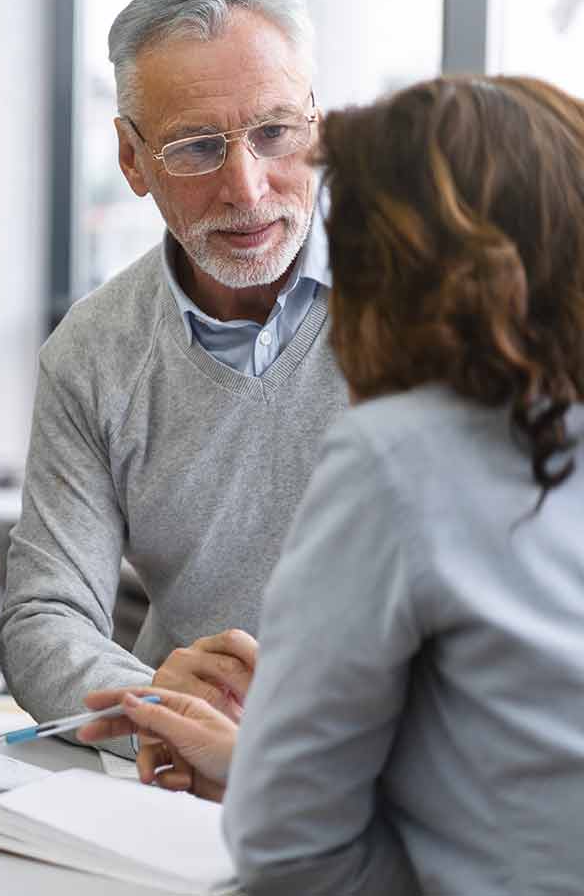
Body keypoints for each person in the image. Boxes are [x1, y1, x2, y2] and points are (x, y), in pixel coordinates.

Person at [79, 75, 584, 895]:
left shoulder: (399, 458)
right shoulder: (96, 344)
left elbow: (292, 854)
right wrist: (257, 770)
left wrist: (275, 796)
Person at [0, 0, 348, 759]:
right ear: (132, 159)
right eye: (195, 147)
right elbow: (45, 615)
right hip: (181, 781)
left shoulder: (432, 302)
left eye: (274, 132)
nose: (247, 189)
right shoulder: (92, 353)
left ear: (317, 128)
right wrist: (157, 715)